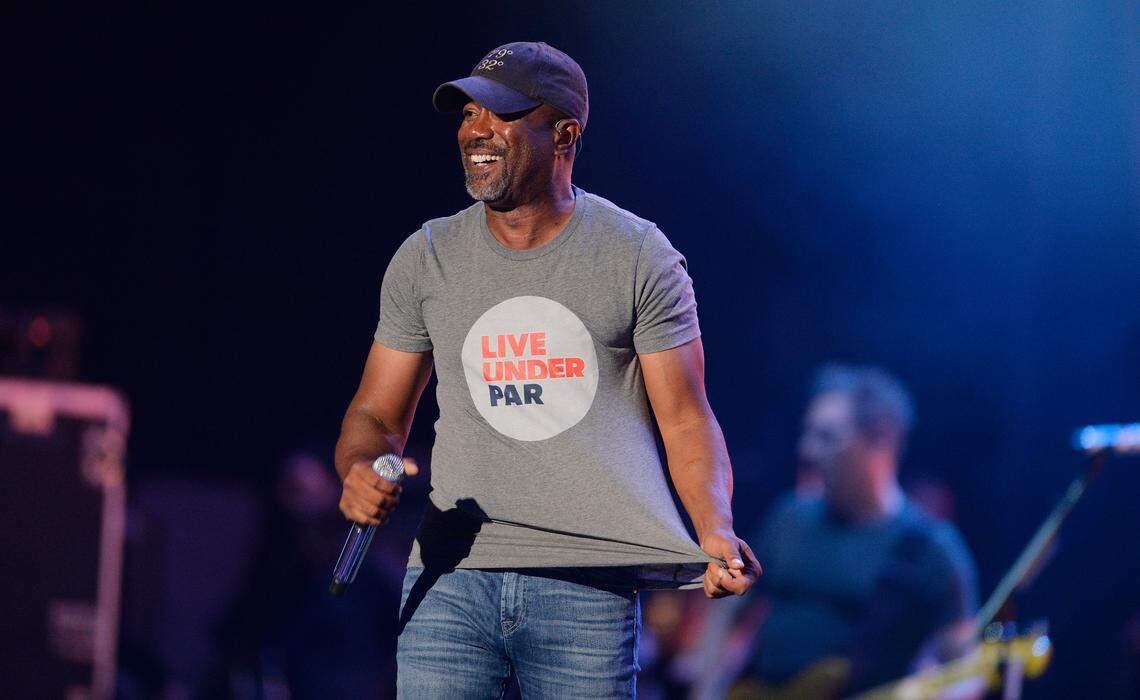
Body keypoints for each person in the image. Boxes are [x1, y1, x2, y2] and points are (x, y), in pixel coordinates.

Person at [333, 41, 760, 698]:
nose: (474, 129)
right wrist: (361, 469)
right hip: (452, 583)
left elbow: (685, 417)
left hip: (587, 588)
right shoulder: (426, 257)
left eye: (500, 114)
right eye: (467, 112)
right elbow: (374, 416)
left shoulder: (637, 255)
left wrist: (716, 527)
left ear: (564, 134)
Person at [690, 364, 979, 698]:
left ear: (882, 439)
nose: (807, 450)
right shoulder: (791, 516)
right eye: (808, 433)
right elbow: (726, 609)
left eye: (827, 436)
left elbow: (963, 668)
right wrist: (706, 684)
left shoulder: (932, 550)